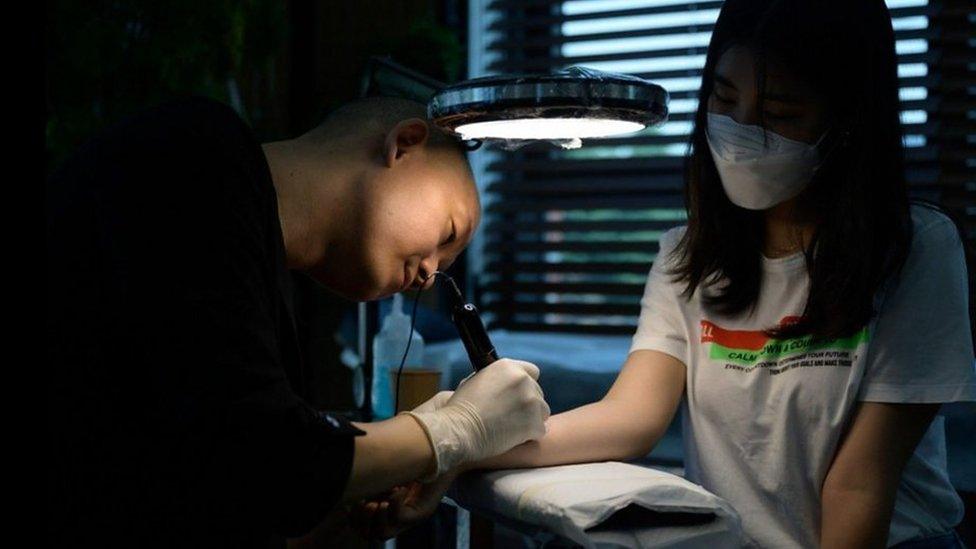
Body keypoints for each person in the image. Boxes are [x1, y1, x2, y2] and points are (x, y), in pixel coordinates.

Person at [359, 1, 975, 547]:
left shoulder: (917, 250)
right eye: (725, 101)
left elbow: (859, 485)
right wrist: (454, 447)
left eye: (780, 112)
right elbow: (630, 417)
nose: (740, 132)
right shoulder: (690, 253)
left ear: (847, 123)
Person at [47, 95, 550, 547]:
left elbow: (207, 479)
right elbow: (266, 460)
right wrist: (452, 431)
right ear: (405, 145)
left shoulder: (260, 279)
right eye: (447, 232)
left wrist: (353, 504)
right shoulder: (193, 151)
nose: (430, 275)